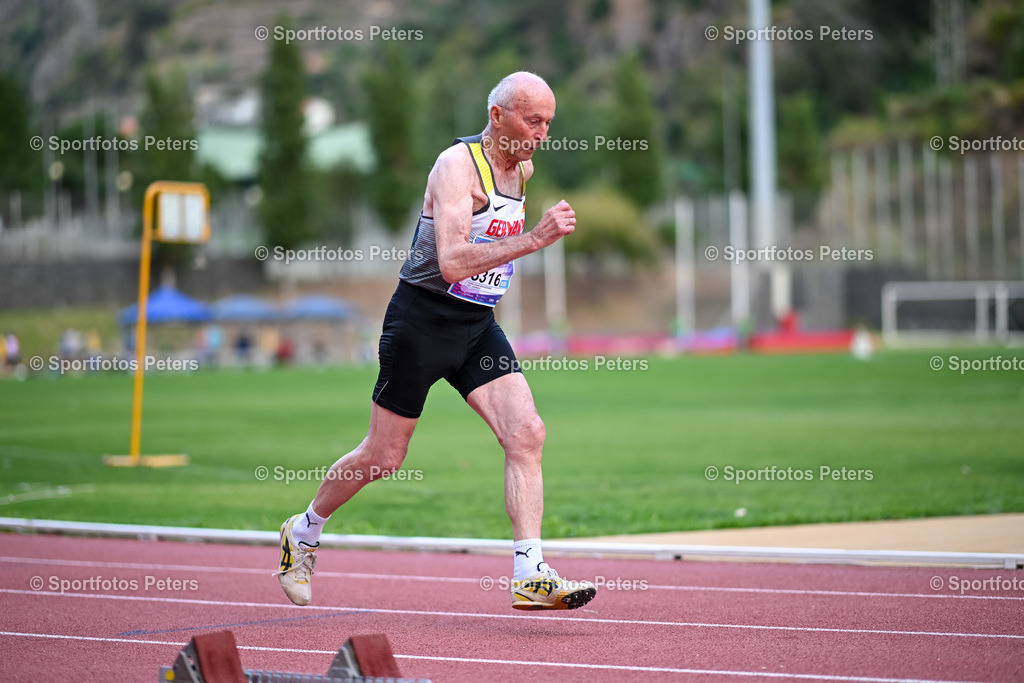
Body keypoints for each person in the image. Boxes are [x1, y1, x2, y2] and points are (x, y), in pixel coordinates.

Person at [276, 72, 596, 611]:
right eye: (532, 120)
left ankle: (529, 571)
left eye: (548, 123)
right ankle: (303, 530)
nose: (542, 134)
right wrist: (536, 238)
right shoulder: (456, 168)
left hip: (476, 327)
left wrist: (520, 244)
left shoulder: (523, 169)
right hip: (421, 322)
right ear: (497, 116)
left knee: (527, 432)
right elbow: (449, 262)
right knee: (384, 456)